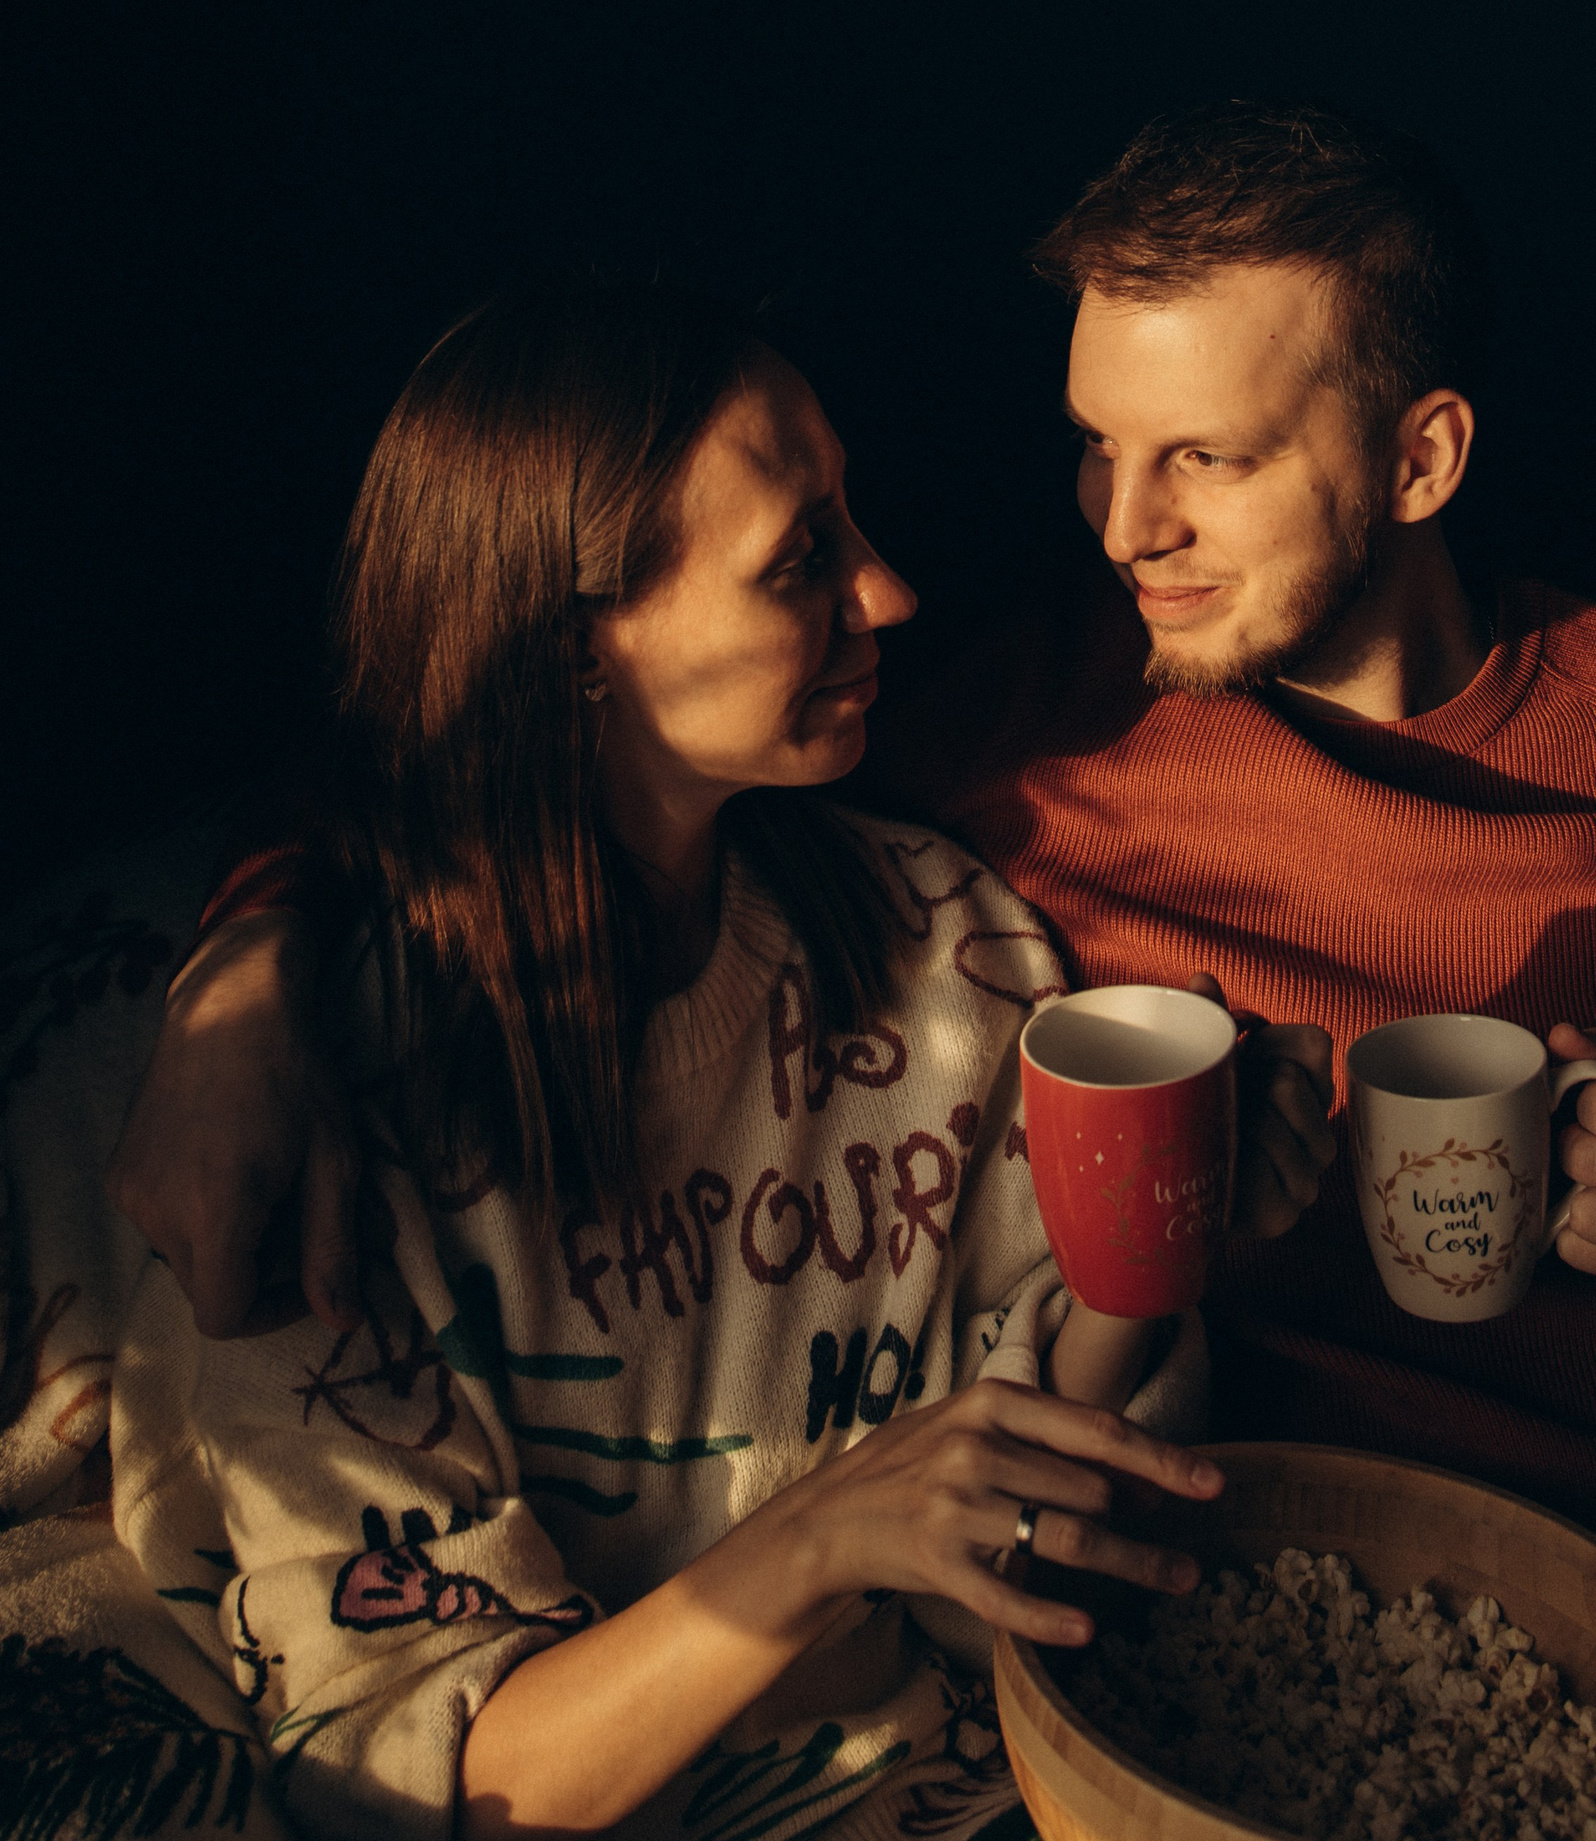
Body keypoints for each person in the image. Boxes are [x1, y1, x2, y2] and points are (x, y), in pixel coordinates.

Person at [108, 107, 1596, 1828]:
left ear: (1420, 458)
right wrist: (243, 977)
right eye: (1098, 444)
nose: (1124, 526)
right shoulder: (1028, 730)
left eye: (1205, 456)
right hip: (1253, 1650)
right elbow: (484, 725)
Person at [18, 274, 1339, 1841]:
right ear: (574, 651)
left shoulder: (947, 947)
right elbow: (412, 1783)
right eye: (801, 559)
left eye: (852, 518)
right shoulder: (327, 1105)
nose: (891, 590)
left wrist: (1150, 1245)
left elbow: (1002, 1557)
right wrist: (818, 1538)